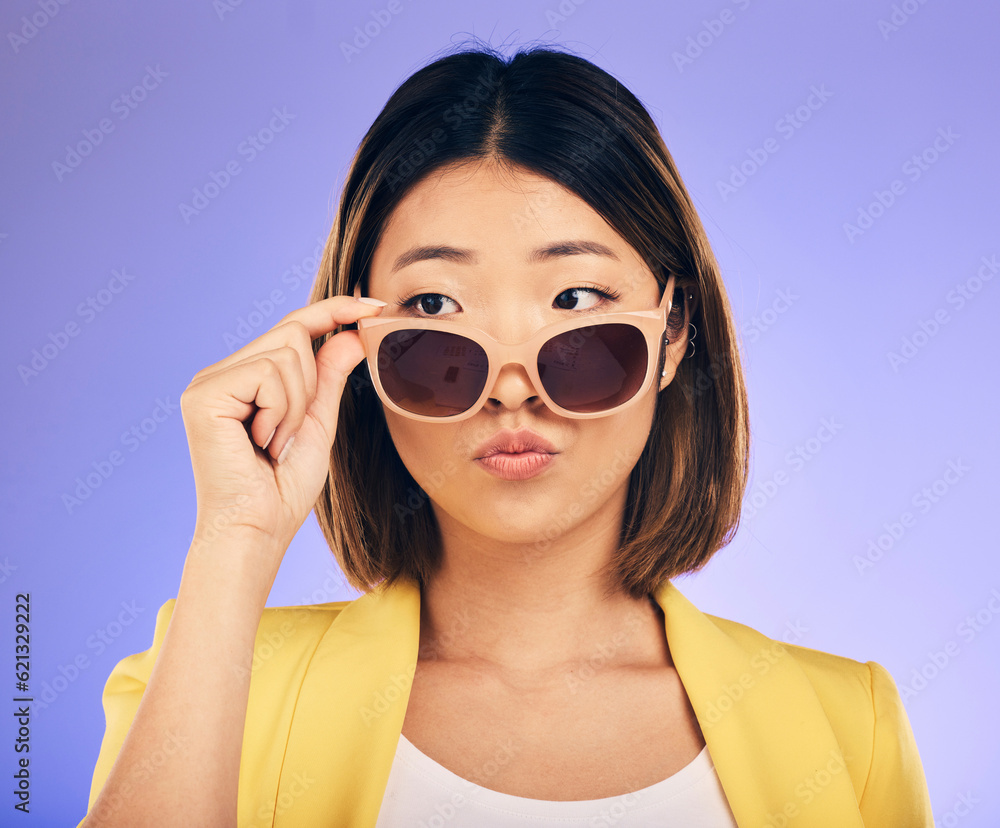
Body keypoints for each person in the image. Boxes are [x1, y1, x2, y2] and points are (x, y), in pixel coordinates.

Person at [77, 42, 934, 827]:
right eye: (436, 309)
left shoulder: (847, 726)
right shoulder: (207, 682)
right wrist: (234, 541)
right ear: (356, 350)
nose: (510, 384)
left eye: (576, 303)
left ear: (673, 334)